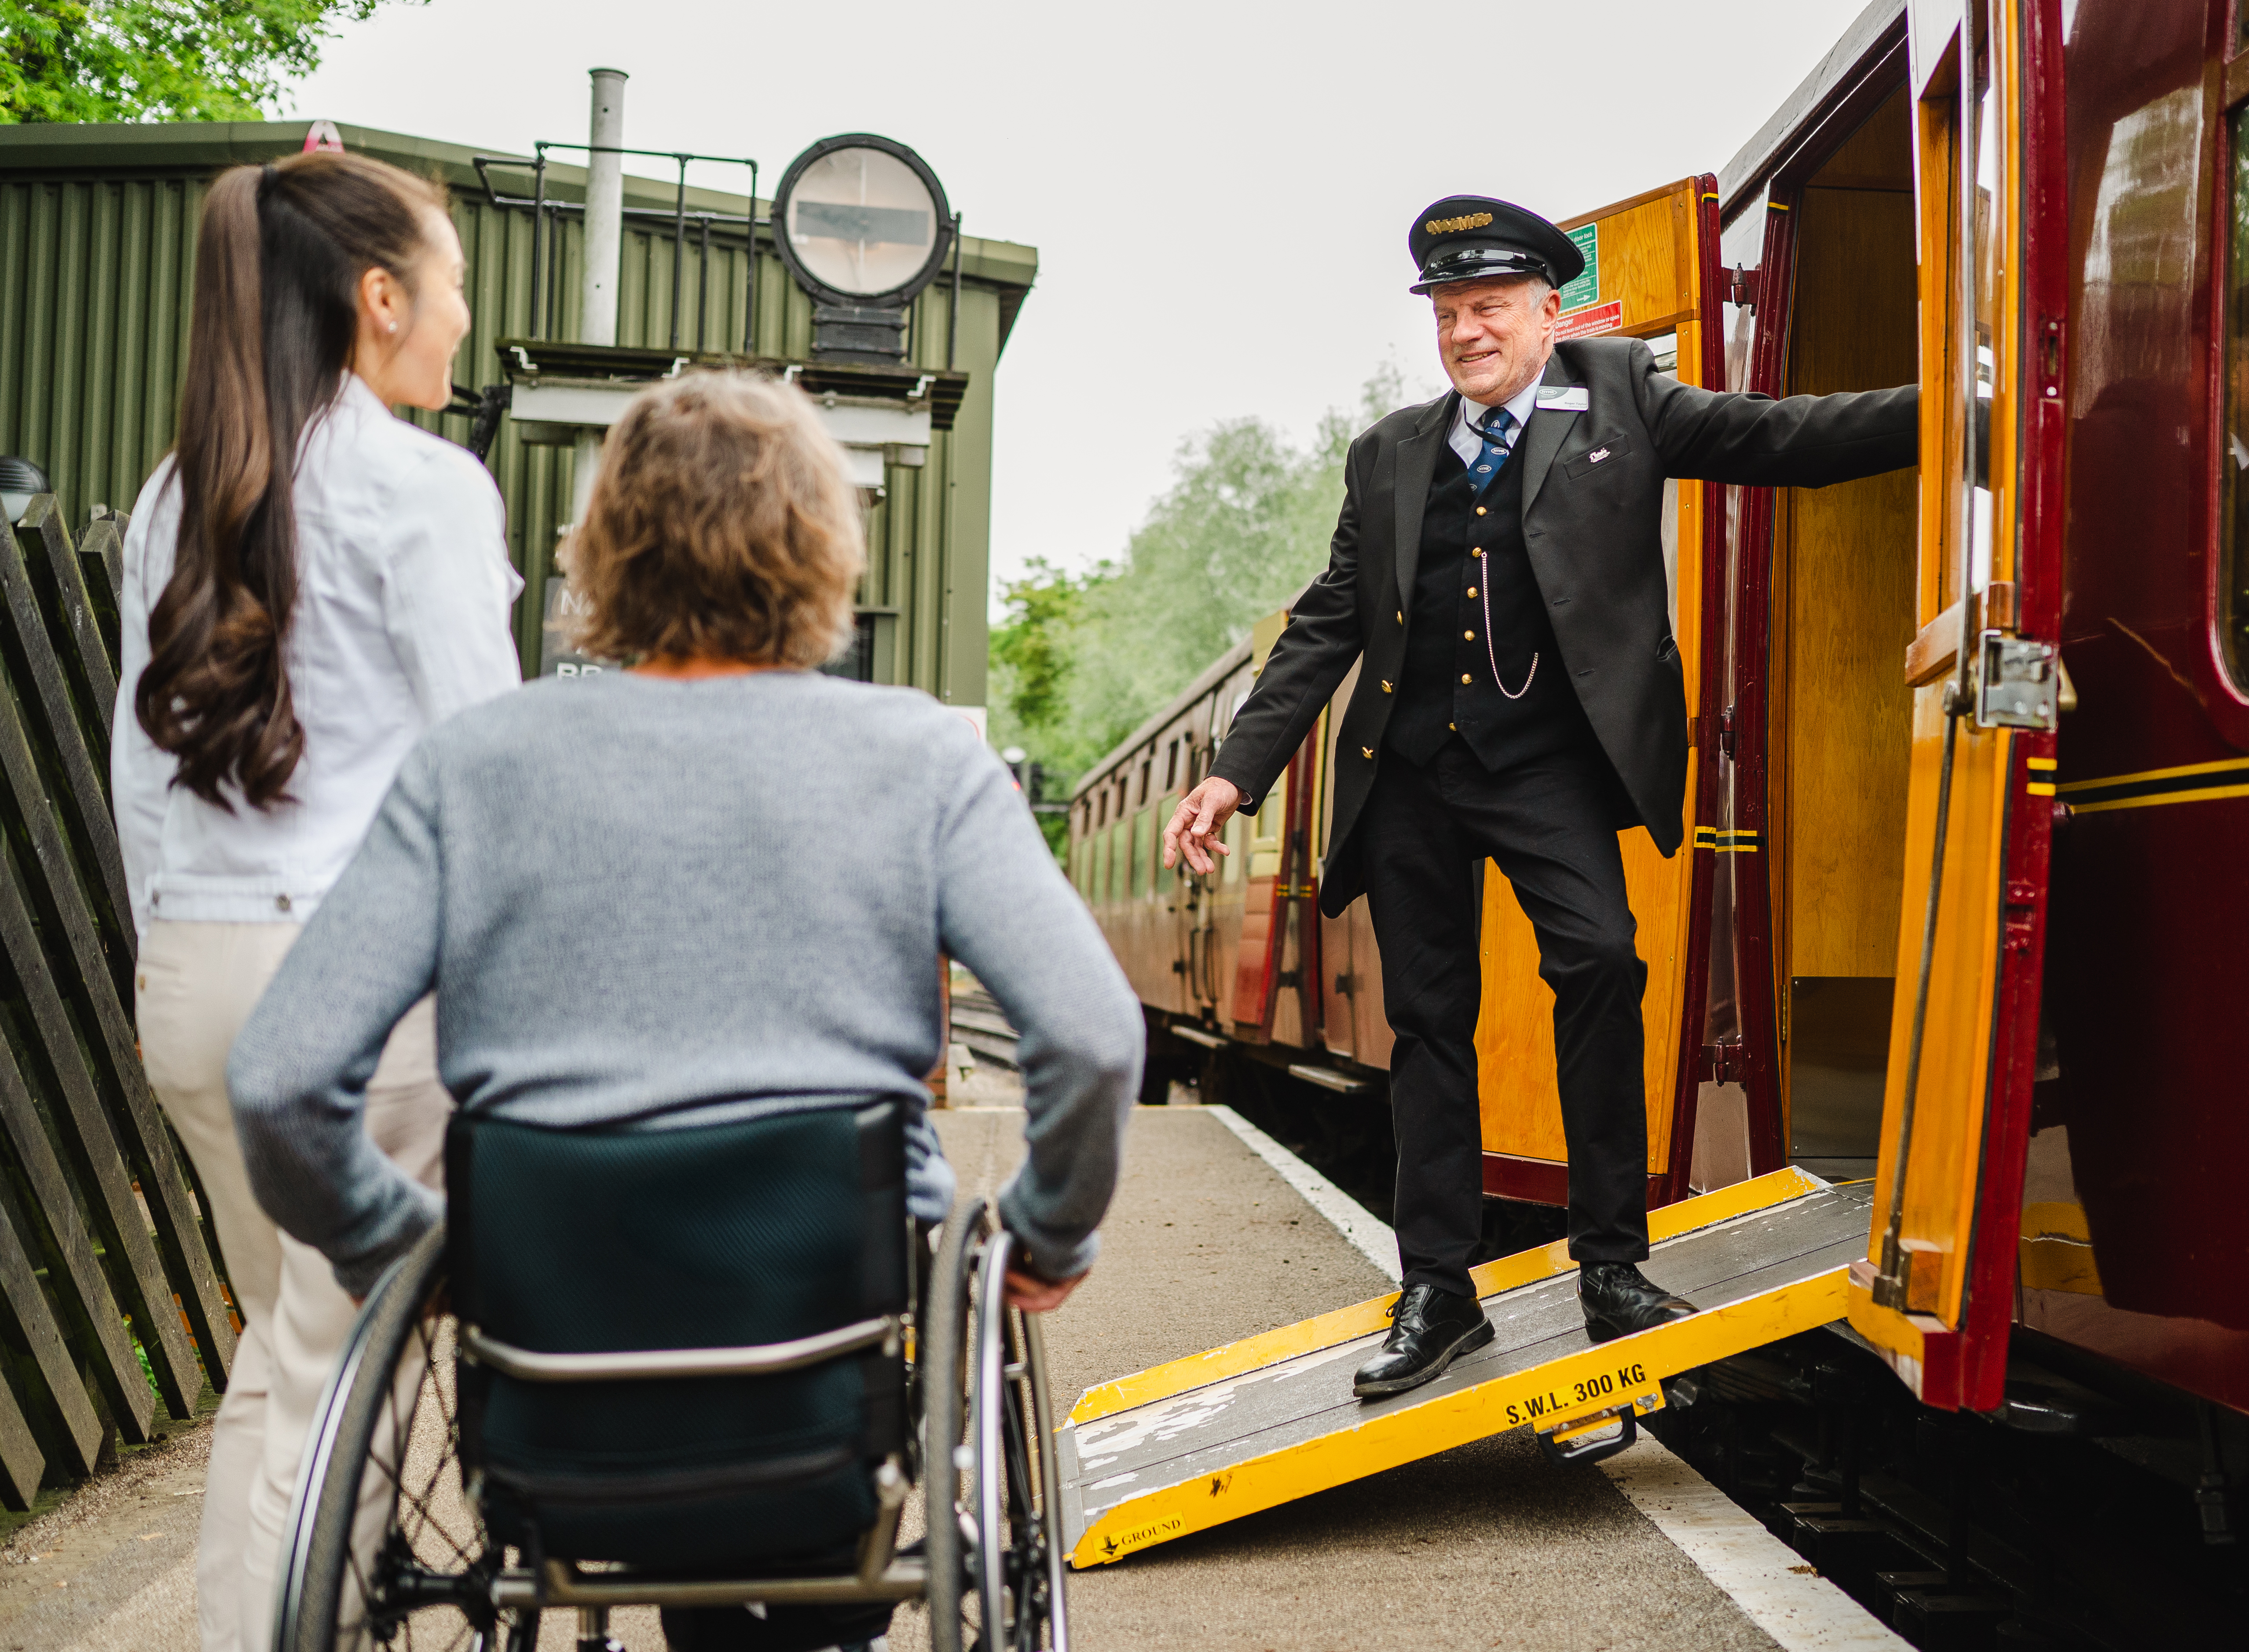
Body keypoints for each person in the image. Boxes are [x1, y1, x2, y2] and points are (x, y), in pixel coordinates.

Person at [227, 371, 1142, 1651]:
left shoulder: (473, 766)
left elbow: (278, 1079)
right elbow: (1095, 1041)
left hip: (552, 1370)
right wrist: (1049, 1232)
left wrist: (403, 1249)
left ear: (604, 553)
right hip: (830, 1350)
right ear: (823, 546)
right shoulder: (921, 761)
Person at [1163, 196, 1920, 1399]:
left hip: (1548, 768)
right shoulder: (1391, 453)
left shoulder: (1621, 397)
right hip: (1412, 772)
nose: (1468, 332)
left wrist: (1961, 412)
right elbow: (1325, 627)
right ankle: (1438, 1292)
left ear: (1545, 312)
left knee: (1602, 965)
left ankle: (1614, 1265)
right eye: (1449, 312)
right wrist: (1229, 773)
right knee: (1428, 1025)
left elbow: (1782, 438)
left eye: (1490, 307)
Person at [109, 149, 525, 1652]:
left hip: (196, 973)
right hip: (354, 990)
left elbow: (133, 778)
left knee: (282, 1364)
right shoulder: (421, 490)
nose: (464, 319)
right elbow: (486, 771)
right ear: (378, 295)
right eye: (455, 283)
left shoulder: (176, 495)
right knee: (355, 1363)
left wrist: (172, 952)